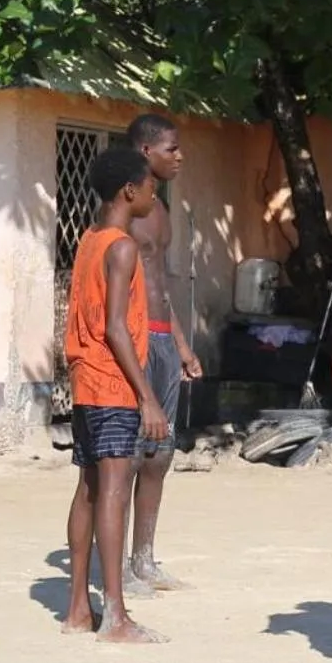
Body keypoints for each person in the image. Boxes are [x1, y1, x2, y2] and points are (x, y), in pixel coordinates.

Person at [61, 145, 167, 644]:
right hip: (112, 385)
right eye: (150, 185)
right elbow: (117, 329)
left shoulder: (88, 241)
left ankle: (78, 607)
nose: (155, 192)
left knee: (88, 488)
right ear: (130, 191)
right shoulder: (122, 247)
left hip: (85, 383)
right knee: (115, 491)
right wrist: (146, 396)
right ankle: (116, 615)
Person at [122, 113, 202, 595]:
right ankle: (119, 570)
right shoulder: (122, 207)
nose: (179, 156)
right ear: (146, 151)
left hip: (162, 340)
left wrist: (182, 344)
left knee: (160, 454)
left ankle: (144, 559)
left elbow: (161, 286)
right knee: (128, 454)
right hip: (134, 342)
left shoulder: (161, 210)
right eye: (171, 148)